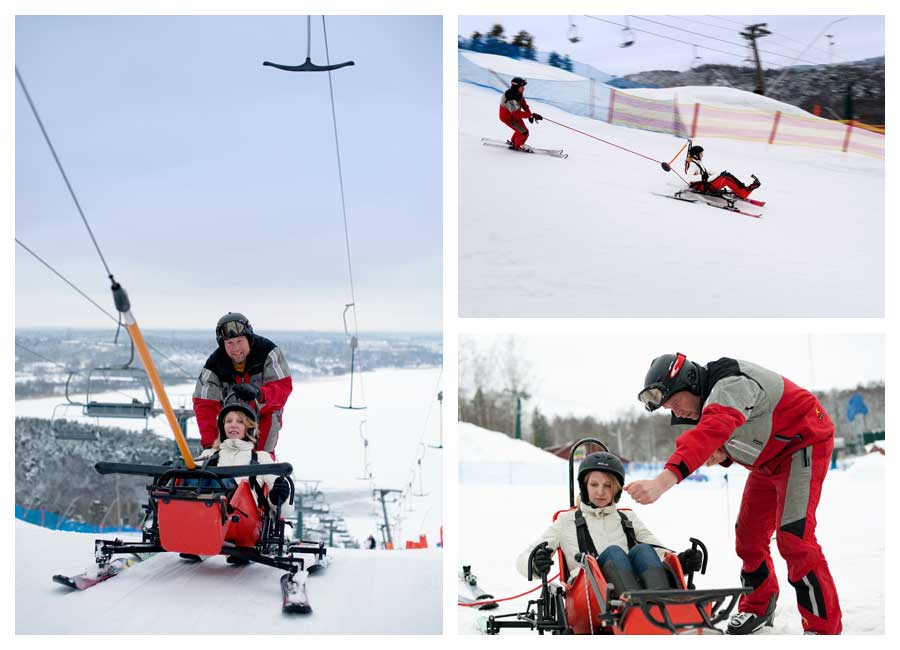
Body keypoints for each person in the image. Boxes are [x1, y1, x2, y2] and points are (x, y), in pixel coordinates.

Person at [629, 353, 842, 635]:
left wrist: (662, 481)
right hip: (768, 462)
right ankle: (757, 606)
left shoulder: (730, 384)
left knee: (794, 537)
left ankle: (823, 629)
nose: (677, 413)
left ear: (692, 382)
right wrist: (725, 453)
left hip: (803, 444)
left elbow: (711, 429)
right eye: (670, 408)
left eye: (676, 403)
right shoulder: (711, 400)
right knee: (749, 535)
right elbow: (735, 428)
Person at [516, 452, 703, 598]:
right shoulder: (566, 521)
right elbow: (524, 558)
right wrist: (535, 562)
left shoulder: (626, 517)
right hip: (589, 596)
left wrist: (681, 562)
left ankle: (663, 601)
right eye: (594, 485)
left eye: (607, 486)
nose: (600, 492)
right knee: (614, 553)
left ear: (616, 489)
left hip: (640, 586)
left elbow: (658, 551)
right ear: (584, 486)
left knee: (643, 550)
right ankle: (634, 607)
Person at [193, 312, 293, 453]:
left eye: (240, 341)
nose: (235, 349)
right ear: (223, 345)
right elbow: (204, 404)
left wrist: (259, 393)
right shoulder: (215, 365)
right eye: (230, 343)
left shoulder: (267, 353)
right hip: (232, 419)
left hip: (264, 415)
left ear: (249, 339)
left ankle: (263, 463)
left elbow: (283, 387)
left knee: (260, 456)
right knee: (223, 454)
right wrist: (211, 446)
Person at [684, 145, 761, 200]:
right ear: (696, 155)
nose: (702, 155)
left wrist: (718, 174)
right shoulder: (693, 165)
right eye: (701, 154)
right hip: (704, 186)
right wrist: (703, 177)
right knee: (726, 179)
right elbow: (689, 177)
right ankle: (744, 193)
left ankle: (743, 188)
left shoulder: (698, 162)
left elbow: (704, 170)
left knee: (727, 175)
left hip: (706, 183)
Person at [499, 77, 543, 152]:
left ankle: (514, 141)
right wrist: (531, 115)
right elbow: (516, 112)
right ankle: (517, 146)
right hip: (508, 118)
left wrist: (529, 114)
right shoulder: (510, 98)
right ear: (516, 87)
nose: (523, 88)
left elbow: (524, 104)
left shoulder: (518, 93)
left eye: (523, 87)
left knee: (522, 131)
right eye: (522, 87)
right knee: (524, 133)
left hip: (515, 116)